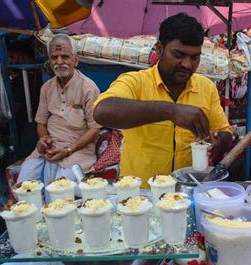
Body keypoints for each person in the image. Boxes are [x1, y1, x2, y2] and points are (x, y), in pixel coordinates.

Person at [92, 13, 232, 186]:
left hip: (188, 191)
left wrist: (219, 142)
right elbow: (102, 111)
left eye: (195, 57)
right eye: (178, 55)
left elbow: (224, 131)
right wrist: (170, 111)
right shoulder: (136, 82)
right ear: (159, 48)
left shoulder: (206, 87)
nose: (187, 65)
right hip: (141, 195)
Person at [17, 34, 101, 195]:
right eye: (54, 57)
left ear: (75, 60)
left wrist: (69, 150)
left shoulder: (89, 88)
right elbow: (41, 123)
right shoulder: (46, 88)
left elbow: (94, 129)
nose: (60, 62)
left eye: (65, 57)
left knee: (58, 193)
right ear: (49, 61)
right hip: (48, 149)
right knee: (24, 188)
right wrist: (43, 139)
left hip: (77, 152)